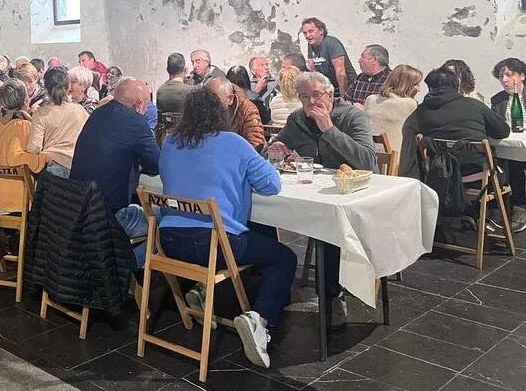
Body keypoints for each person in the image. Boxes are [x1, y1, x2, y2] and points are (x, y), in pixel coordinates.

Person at [159, 88, 292, 369]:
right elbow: (272, 185)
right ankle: (260, 320)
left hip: (168, 239)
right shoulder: (233, 143)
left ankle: (202, 294)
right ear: (221, 114)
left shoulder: (170, 141)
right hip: (214, 243)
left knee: (257, 240)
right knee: (283, 257)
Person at [267, 71, 376, 328]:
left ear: (330, 94)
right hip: (311, 192)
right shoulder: (297, 120)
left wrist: (330, 130)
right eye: (304, 97)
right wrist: (275, 149)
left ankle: (332, 296)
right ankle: (266, 287)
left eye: (316, 95)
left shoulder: (352, 117)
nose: (311, 102)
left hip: (351, 196)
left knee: (328, 225)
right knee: (258, 211)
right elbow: (275, 147)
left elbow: (369, 162)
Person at [70, 78, 160, 267]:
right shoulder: (135, 122)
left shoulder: (97, 114)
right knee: (166, 223)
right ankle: (127, 269)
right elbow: (156, 164)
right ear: (140, 104)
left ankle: (120, 268)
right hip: (112, 218)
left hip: (78, 212)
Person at [399, 68, 510, 181]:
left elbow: (408, 133)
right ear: (457, 86)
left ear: (430, 89)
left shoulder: (421, 111)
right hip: (478, 175)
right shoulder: (475, 105)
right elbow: (503, 131)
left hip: (441, 176)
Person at [0, 80, 48, 213]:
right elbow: (16, 157)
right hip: (15, 199)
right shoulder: (22, 125)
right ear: (25, 100)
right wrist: (45, 158)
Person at [27, 67, 89, 178]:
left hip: (51, 169)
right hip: (78, 168)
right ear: (68, 87)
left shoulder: (40, 113)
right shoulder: (80, 111)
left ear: (45, 88)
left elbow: (34, 148)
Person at [490, 58, 526, 232]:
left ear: (522, 76)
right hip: (512, 146)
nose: (504, 80)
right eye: (501, 76)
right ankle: (519, 206)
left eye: (509, 75)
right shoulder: (497, 100)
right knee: (513, 163)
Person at [364, 65, 422, 157]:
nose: (419, 89)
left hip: (368, 155)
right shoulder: (410, 104)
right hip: (396, 158)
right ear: (406, 85)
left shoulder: (370, 99)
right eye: (416, 85)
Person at [301, 17, 356, 99]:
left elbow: (340, 72)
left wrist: (343, 97)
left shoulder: (331, 43)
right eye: (305, 33)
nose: (308, 36)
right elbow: (312, 69)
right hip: (330, 89)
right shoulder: (311, 44)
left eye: (311, 31)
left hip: (348, 88)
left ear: (321, 31)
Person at [207, 76, 265, 151]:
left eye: (216, 100)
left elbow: (256, 142)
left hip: (238, 153)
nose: (210, 104)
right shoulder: (202, 108)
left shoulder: (246, 109)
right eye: (207, 99)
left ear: (230, 99)